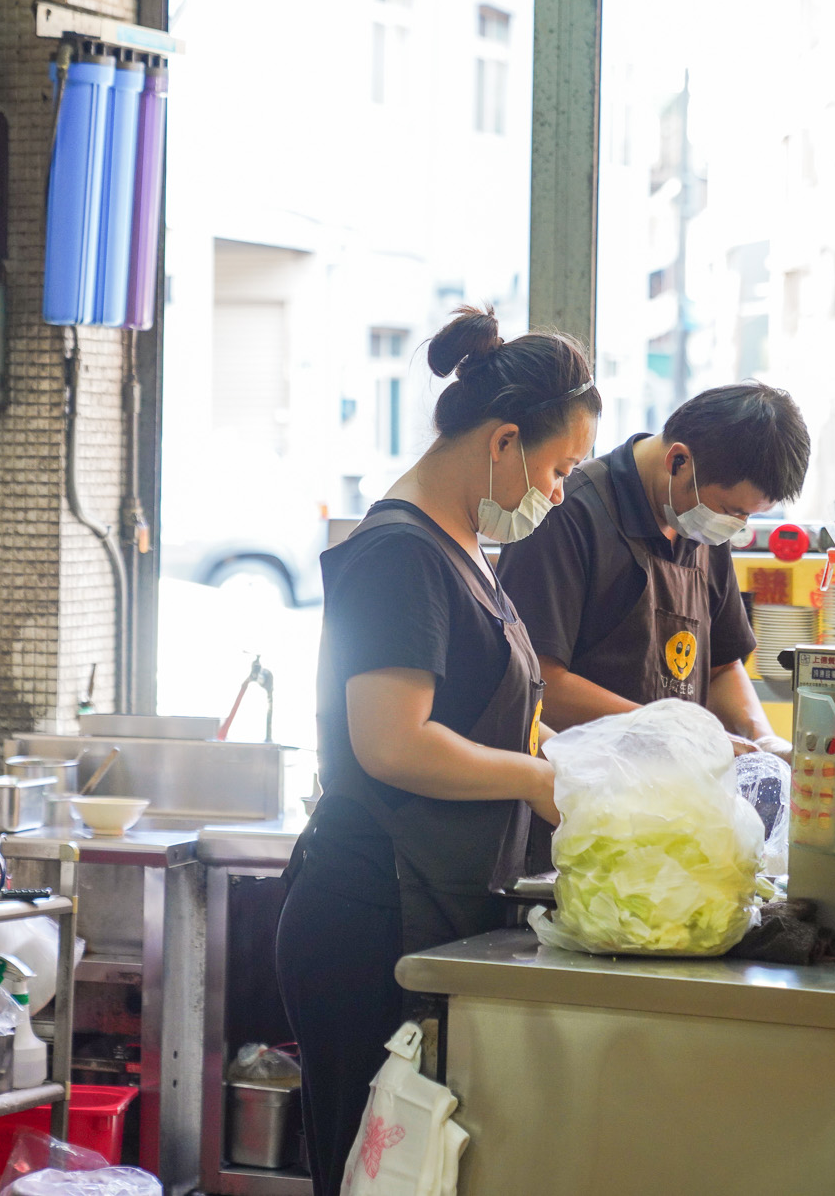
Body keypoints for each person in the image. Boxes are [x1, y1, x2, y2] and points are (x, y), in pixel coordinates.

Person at [276, 308, 599, 1196]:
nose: (561, 492)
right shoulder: (400, 555)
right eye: (560, 469)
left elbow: (483, 714)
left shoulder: (466, 551)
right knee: (373, 1175)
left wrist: (581, 759)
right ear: (503, 442)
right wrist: (537, 778)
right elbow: (394, 742)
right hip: (368, 912)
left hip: (425, 906)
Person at [497, 382, 811, 753]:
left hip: (664, 788)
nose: (734, 526)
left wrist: (762, 739)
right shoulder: (566, 513)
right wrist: (664, 732)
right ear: (678, 460)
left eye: (747, 516)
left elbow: (722, 667)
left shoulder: (702, 528)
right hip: (572, 787)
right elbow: (534, 680)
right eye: (730, 511)